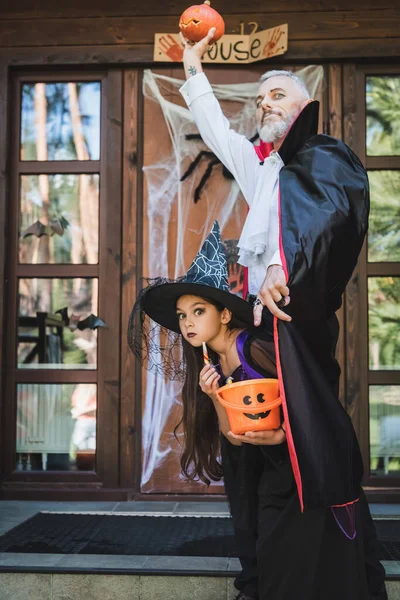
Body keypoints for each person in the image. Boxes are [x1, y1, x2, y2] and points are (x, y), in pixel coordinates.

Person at [176, 30, 388, 600]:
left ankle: (327, 542)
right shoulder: (260, 166)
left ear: (302, 109)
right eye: (262, 96)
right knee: (255, 426)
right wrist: (193, 66)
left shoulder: (328, 159)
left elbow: (330, 221)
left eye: (278, 95)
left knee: (307, 422)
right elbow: (220, 134)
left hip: (297, 316)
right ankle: (266, 552)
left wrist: (283, 270)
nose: (266, 102)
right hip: (259, 321)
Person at [129, 222, 387, 600]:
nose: (187, 324)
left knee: (304, 561)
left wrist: (283, 435)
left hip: (301, 469)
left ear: (224, 314)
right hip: (264, 470)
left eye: (198, 311)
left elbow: (307, 403)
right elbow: (233, 434)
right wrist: (215, 396)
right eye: (183, 316)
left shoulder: (258, 348)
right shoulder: (211, 365)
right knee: (270, 553)